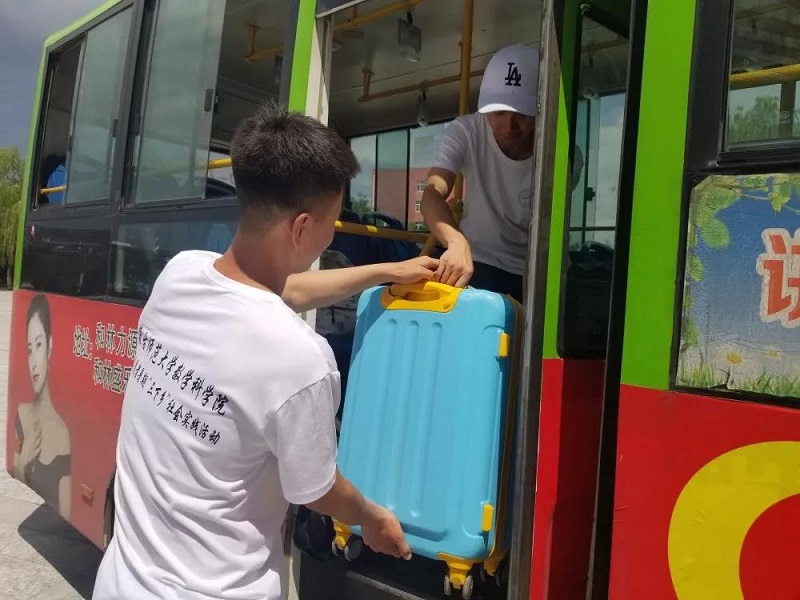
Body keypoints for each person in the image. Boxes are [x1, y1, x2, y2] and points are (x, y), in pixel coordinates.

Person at [92, 102, 436, 600]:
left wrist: (387, 272)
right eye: (333, 222)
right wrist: (371, 517)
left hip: (120, 582)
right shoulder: (302, 361)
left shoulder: (180, 274)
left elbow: (279, 292)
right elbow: (316, 490)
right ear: (301, 228)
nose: (333, 234)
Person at [420, 43, 540, 303]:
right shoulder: (466, 131)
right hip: (478, 261)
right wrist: (456, 241)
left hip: (537, 269)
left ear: (540, 110)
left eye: (522, 115)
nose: (509, 126)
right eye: (498, 113)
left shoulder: (559, 150)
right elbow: (432, 193)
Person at [14, 293, 71, 519]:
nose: (34, 363)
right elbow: (16, 467)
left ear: (50, 346)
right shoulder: (21, 413)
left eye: (39, 345)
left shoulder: (62, 434)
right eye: (29, 350)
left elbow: (67, 511)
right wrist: (23, 463)